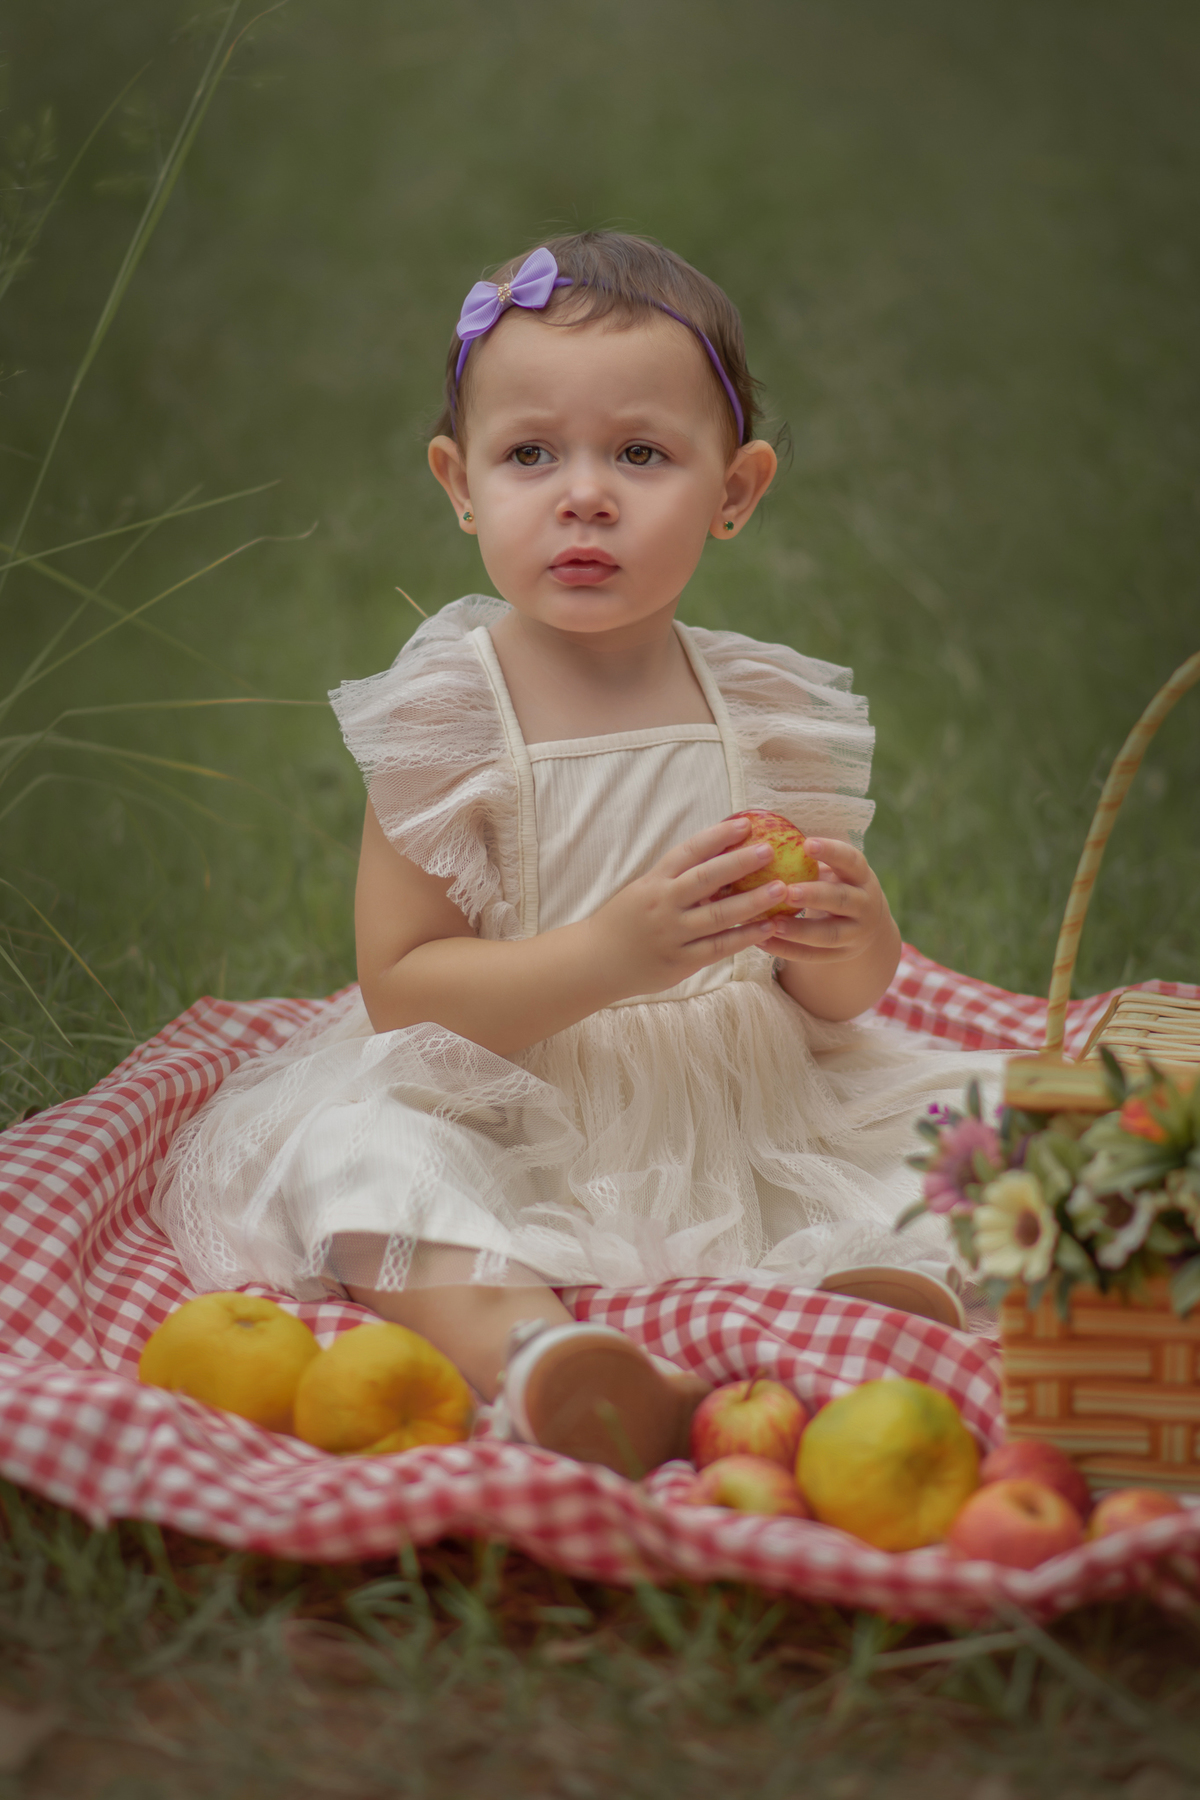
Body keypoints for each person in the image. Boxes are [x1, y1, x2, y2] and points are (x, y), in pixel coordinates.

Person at [154, 231, 996, 1475]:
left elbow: (830, 995)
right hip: (509, 1089)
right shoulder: (455, 719)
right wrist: (610, 954)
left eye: (641, 454)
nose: (584, 492)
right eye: (531, 453)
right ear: (459, 481)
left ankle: (853, 1308)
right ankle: (542, 1355)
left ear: (736, 490)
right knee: (360, 1163)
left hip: (742, 1094)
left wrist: (851, 942)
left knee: (1003, 1138)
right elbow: (403, 988)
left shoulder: (762, 713)